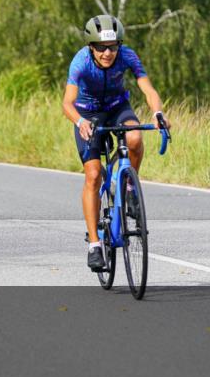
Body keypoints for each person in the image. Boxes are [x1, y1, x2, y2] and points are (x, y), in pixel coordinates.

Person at [62, 15, 171, 272]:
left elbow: (148, 89)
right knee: (93, 175)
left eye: (112, 47)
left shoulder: (127, 56)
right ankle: (94, 245)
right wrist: (80, 122)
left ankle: (128, 186)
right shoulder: (80, 61)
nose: (107, 53)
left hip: (117, 108)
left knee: (134, 137)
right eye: (101, 47)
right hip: (88, 113)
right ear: (91, 47)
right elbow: (67, 103)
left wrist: (158, 113)